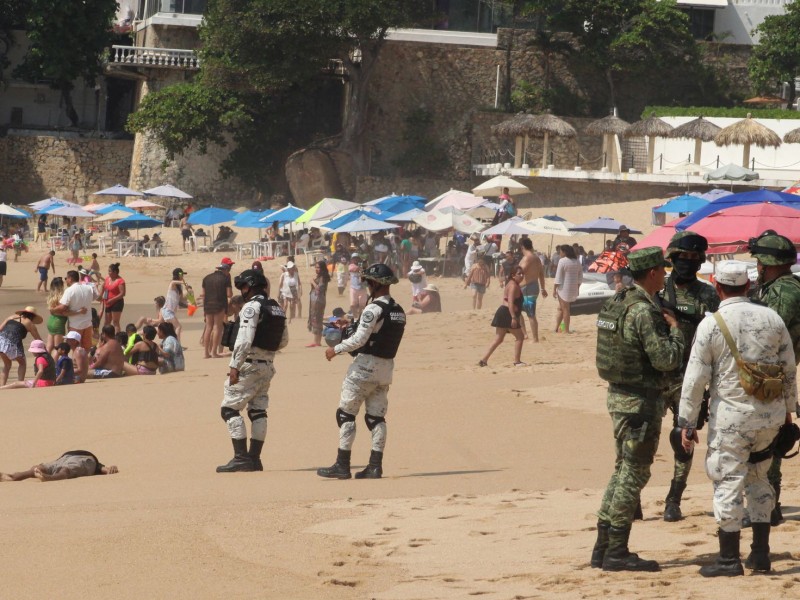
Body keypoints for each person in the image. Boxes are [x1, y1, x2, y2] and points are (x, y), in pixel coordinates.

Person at [678, 262, 796, 577]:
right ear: (748, 286)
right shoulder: (773, 318)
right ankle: (760, 553)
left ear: (717, 286)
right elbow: (789, 370)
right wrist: (789, 415)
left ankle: (729, 559)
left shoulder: (712, 324)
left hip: (731, 418)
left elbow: (695, 379)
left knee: (728, 481)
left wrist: (685, 422)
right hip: (768, 418)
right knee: (759, 479)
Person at [591, 247, 684, 572]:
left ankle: (603, 547)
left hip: (619, 397)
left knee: (622, 471)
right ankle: (617, 550)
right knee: (634, 473)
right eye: (662, 269)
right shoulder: (643, 310)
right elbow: (666, 359)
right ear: (653, 273)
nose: (666, 273)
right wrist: (676, 330)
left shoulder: (617, 301)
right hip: (640, 403)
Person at [317, 263, 405, 480]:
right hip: (386, 369)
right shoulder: (398, 311)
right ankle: (375, 466)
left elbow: (359, 339)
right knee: (376, 418)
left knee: (346, 414)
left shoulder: (373, 308)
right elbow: (376, 332)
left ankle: (342, 464)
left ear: (375, 284)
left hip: (364, 367)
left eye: (368, 282)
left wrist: (334, 350)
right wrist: (350, 323)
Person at [656, 232, 720, 522]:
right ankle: (632, 498)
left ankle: (674, 498)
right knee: (642, 437)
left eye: (694, 259)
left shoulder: (707, 294)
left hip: (690, 377)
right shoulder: (657, 289)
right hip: (657, 375)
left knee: (684, 437)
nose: (688, 263)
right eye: (683, 258)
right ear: (673, 259)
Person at [746, 230, 800, 526]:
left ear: (769, 263)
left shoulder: (787, 290)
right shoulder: (774, 287)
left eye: (759, 263)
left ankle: (772, 505)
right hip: (767, 376)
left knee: (769, 443)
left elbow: (768, 329)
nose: (757, 268)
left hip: (774, 378)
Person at [217, 269, 288, 473]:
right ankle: (255, 459)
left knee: (229, 409)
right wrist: (266, 351)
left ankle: (241, 458)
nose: (242, 290)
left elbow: (244, 340)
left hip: (248, 363)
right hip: (267, 365)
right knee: (258, 411)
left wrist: (234, 366)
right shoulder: (276, 308)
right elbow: (284, 340)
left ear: (250, 286)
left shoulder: (251, 307)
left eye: (243, 287)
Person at [478, 267, 525, 368]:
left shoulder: (512, 284)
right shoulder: (513, 286)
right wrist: (513, 317)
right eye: (519, 274)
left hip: (503, 312)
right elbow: (511, 302)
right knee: (520, 337)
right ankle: (517, 361)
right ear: (513, 275)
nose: (521, 276)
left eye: (522, 274)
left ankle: (484, 359)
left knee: (498, 339)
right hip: (507, 314)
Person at [1, 450, 118, 482]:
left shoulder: (96, 464)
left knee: (64, 470)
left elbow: (105, 469)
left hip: (79, 459)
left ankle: (13, 477)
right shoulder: (95, 464)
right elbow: (106, 469)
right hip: (66, 458)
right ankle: (11, 477)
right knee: (40, 468)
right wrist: (110, 469)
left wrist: (110, 469)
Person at [0, 307, 43, 386]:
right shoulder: (30, 323)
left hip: (1, 341)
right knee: (22, 363)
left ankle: (2, 386)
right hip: (12, 343)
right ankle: (20, 383)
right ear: (33, 316)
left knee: (7, 365)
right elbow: (38, 340)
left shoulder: (11, 317)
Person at [54, 270, 95, 353]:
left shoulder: (70, 290)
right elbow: (96, 297)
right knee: (86, 348)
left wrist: (53, 310)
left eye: (66, 278)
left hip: (75, 324)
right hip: (87, 322)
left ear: (70, 278)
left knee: (74, 348)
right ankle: (84, 364)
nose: (65, 281)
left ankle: (76, 364)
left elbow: (63, 306)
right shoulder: (88, 288)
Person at [200, 261, 233, 359]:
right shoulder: (225, 278)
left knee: (208, 327)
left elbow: (203, 294)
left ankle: (206, 353)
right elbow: (229, 294)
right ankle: (214, 352)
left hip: (208, 305)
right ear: (226, 270)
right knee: (217, 327)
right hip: (219, 304)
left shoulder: (206, 278)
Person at [518, 238, 548, 343]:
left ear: (522, 246)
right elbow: (541, 274)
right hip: (530, 287)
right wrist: (543, 288)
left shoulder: (528, 258)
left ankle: (535, 338)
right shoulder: (536, 258)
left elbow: (521, 272)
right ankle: (525, 334)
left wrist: (512, 281)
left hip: (527, 288)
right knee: (517, 311)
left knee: (530, 314)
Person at [552, 244, 583, 334]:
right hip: (573, 287)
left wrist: (554, 289)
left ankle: (566, 330)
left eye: (561, 251)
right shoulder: (577, 261)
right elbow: (580, 276)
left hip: (564, 288)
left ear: (564, 252)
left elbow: (558, 277)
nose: (560, 253)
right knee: (561, 308)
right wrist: (577, 287)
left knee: (565, 309)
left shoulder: (562, 261)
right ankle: (556, 328)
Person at [307, 260, 330, 347]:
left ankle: (317, 342)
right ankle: (316, 341)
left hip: (318, 301)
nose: (316, 269)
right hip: (316, 300)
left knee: (317, 319)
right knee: (315, 318)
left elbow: (319, 289)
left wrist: (312, 282)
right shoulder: (320, 277)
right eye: (315, 267)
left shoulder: (323, 278)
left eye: (318, 267)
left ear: (322, 268)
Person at [97, 263, 126, 332]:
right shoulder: (107, 278)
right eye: (108, 271)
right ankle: (105, 337)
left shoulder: (120, 281)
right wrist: (100, 295)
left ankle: (118, 338)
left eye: (110, 271)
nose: (108, 273)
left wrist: (112, 299)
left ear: (115, 272)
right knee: (106, 322)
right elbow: (103, 286)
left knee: (115, 322)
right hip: (108, 302)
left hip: (117, 302)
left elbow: (122, 293)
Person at [45, 277, 68, 355]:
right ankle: (55, 366)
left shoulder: (51, 296)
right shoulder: (63, 296)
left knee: (49, 347)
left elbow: (51, 311)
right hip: (59, 322)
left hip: (51, 320)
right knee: (58, 348)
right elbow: (63, 309)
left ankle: (45, 362)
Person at [348, 254, 368, 320]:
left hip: (362, 288)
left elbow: (367, 272)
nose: (355, 259)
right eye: (354, 258)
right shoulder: (351, 266)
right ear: (352, 259)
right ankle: (355, 317)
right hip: (354, 288)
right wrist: (362, 267)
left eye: (357, 258)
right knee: (352, 305)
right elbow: (353, 269)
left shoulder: (363, 266)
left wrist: (365, 266)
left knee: (362, 305)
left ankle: (359, 316)